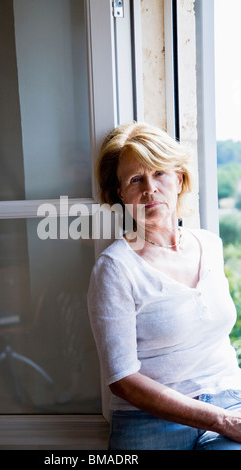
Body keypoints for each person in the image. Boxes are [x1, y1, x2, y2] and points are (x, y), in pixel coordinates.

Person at [87, 121, 241, 450]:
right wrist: (219, 420)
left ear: (179, 178)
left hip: (230, 400)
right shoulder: (115, 268)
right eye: (135, 179)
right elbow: (122, 380)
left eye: (159, 173)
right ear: (120, 194)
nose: (150, 189)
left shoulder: (210, 245)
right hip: (150, 420)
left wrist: (226, 416)